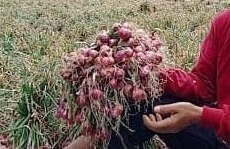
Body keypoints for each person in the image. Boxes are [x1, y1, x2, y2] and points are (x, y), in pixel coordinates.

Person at [65, 9, 230, 149]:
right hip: (221, 129)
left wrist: (202, 116)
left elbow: (205, 112)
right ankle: (90, 140)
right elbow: (204, 85)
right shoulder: (224, 22)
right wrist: (151, 75)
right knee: (145, 105)